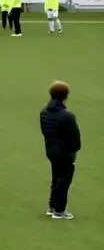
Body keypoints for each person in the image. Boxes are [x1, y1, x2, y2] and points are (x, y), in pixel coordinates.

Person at [40, 81, 81, 220]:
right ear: (65, 96)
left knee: (56, 178)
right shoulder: (67, 116)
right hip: (65, 153)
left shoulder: (44, 112)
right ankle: (59, 210)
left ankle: (52, 206)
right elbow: (74, 138)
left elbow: (44, 131)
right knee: (64, 181)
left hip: (51, 150)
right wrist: (73, 151)